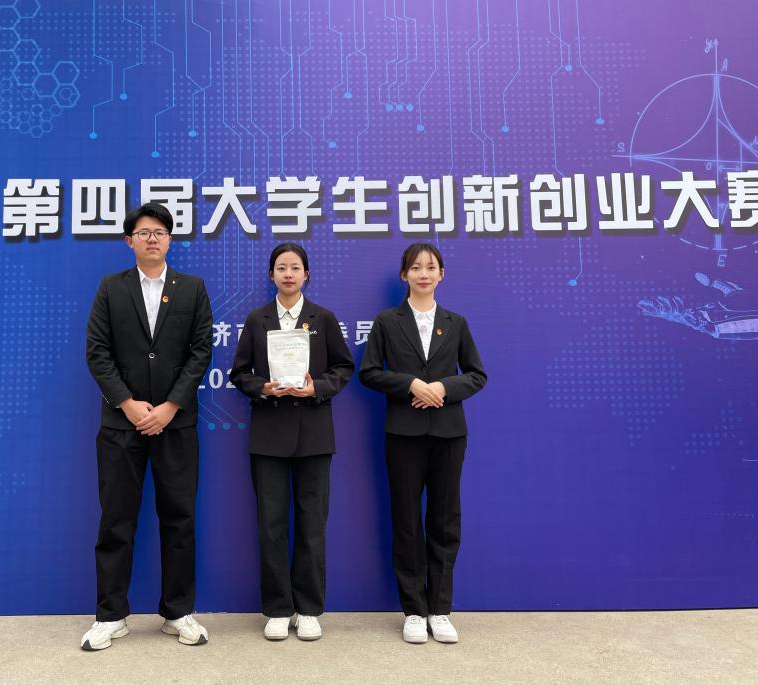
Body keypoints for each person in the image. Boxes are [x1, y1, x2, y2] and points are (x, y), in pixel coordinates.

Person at [82, 202, 213, 651]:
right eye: (143, 232)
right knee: (116, 520)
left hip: (176, 424)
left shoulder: (192, 288)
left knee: (180, 519)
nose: (152, 238)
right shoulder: (111, 288)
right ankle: (110, 615)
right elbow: (97, 351)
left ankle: (178, 612)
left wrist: (171, 406)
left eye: (159, 232)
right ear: (129, 241)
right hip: (121, 426)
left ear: (170, 240)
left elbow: (201, 352)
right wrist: (128, 403)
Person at [358, 243, 487, 645]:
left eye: (431, 267)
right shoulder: (387, 321)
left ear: (441, 274)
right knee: (407, 521)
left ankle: (440, 609)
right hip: (404, 433)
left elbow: (477, 375)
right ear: (404, 275)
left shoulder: (456, 322)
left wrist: (442, 389)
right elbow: (369, 372)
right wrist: (410, 384)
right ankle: (414, 610)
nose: (423, 274)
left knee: (445, 520)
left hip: (449, 433)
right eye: (416, 267)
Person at [229, 243, 354, 641]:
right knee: (271, 525)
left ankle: (310, 608)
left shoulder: (323, 318)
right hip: (268, 435)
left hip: (314, 434)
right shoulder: (258, 319)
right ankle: (278, 609)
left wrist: (318, 387)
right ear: (271, 275)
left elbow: (344, 367)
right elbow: (239, 373)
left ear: (306, 274)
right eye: (281, 267)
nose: (288, 274)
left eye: (295, 267)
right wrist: (262, 388)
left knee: (312, 524)